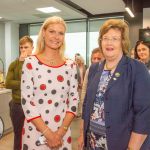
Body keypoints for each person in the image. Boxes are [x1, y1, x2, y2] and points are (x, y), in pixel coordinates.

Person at [79, 19, 150, 150]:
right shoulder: (94, 69)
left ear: (123, 42)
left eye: (115, 38)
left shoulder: (137, 69)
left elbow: (144, 112)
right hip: (92, 140)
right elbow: (86, 103)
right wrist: (82, 134)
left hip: (122, 143)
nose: (109, 42)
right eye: (105, 38)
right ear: (101, 41)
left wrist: (132, 147)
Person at [21, 16, 79, 150]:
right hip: (35, 131)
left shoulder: (70, 65)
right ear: (43, 33)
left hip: (62, 132)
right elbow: (27, 102)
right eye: (52, 31)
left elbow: (74, 101)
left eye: (61, 33)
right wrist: (48, 134)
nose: (56, 36)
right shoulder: (30, 62)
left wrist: (60, 133)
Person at [5, 35, 34, 150]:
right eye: (21, 47)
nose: (23, 50)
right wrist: (22, 63)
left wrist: (21, 83)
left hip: (33, 104)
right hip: (17, 104)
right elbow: (8, 83)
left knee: (33, 135)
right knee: (18, 135)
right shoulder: (14, 64)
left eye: (26, 47)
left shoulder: (36, 63)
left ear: (32, 47)